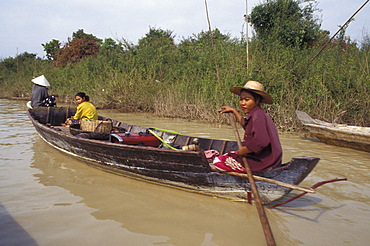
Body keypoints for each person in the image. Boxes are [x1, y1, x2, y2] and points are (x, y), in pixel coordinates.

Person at [211, 80, 282, 173]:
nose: (242, 103)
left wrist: (241, 152)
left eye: (247, 99)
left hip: (263, 162)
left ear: (257, 100)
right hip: (267, 159)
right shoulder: (256, 113)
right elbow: (246, 125)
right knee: (229, 154)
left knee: (218, 161)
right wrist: (234, 111)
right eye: (241, 99)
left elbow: (261, 142)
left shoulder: (258, 115)